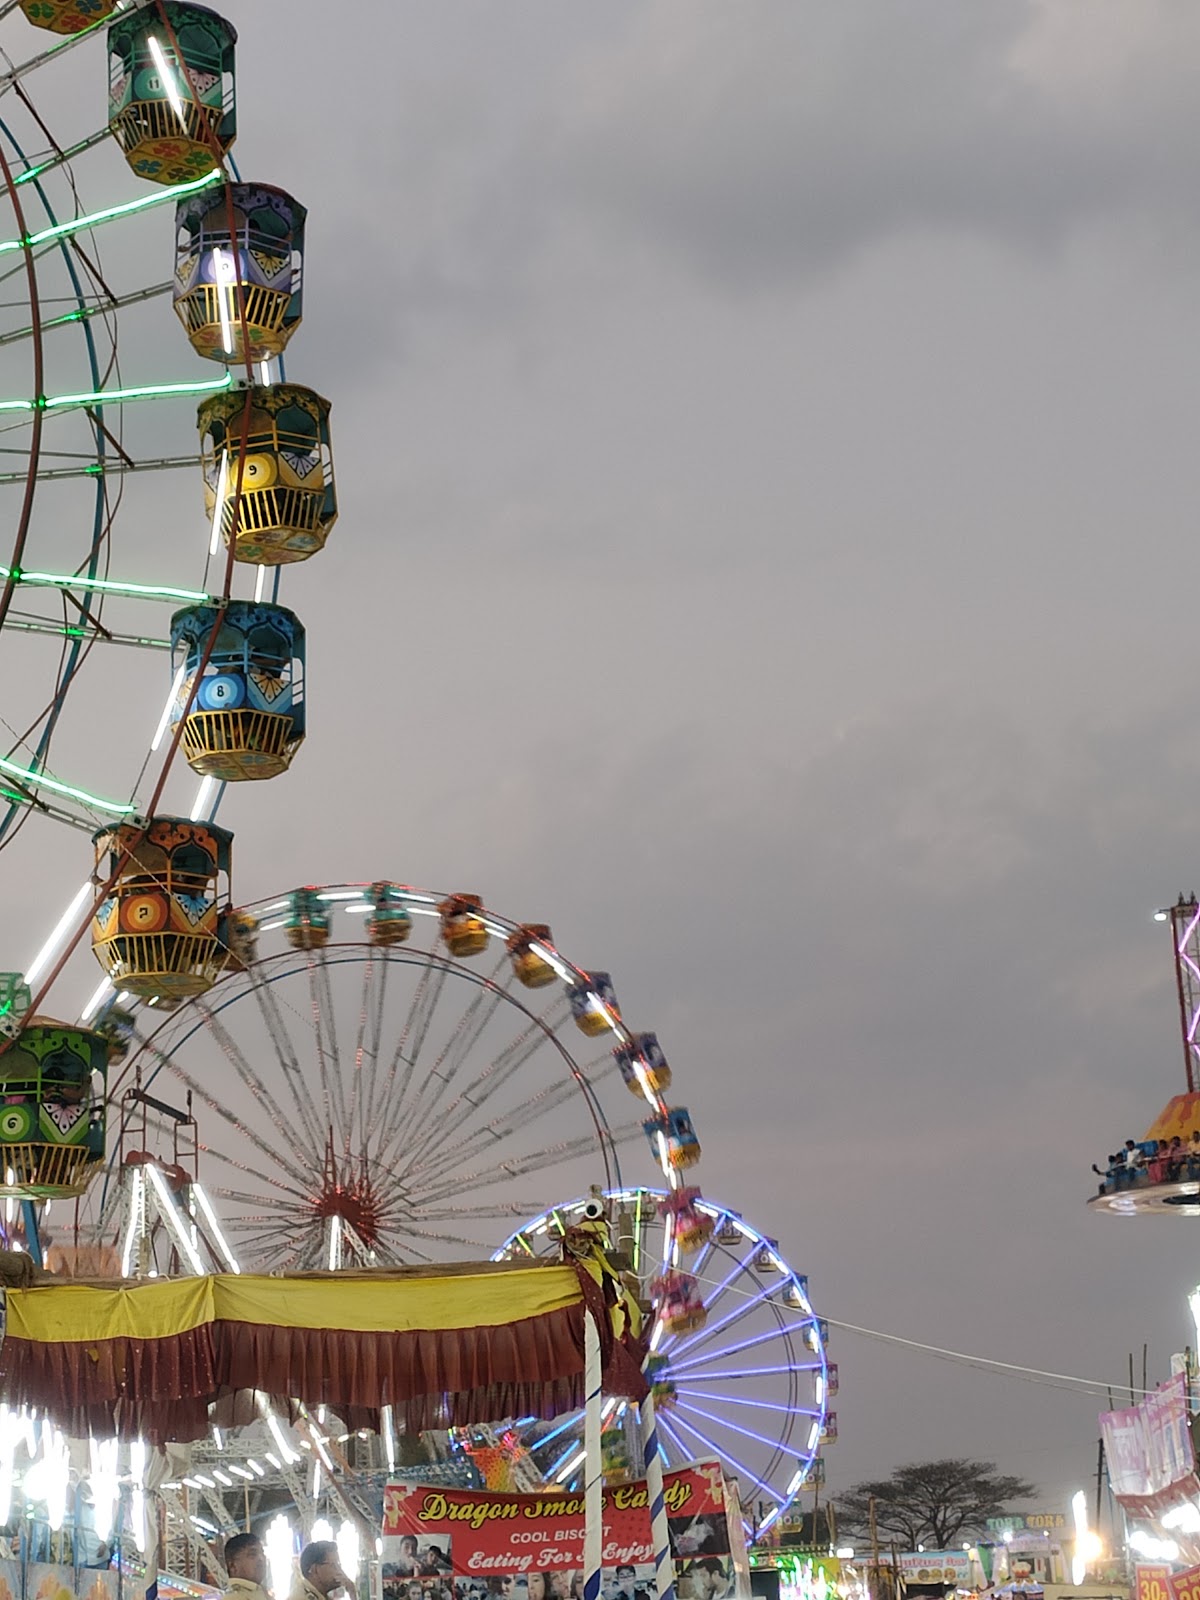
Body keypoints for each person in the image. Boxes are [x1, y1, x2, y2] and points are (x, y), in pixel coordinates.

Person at [225, 1534, 272, 1600]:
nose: (261, 1558)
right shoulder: (234, 1598)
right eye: (252, 1554)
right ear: (233, 1566)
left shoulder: (258, 1592)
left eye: (262, 1553)